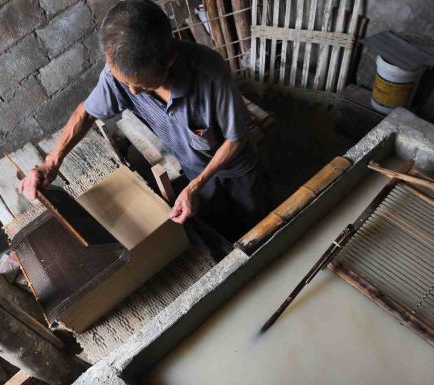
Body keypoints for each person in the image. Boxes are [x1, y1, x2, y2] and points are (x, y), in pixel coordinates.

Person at [19, 0, 267, 239]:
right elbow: (87, 111)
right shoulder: (121, 74)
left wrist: (194, 187)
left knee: (255, 223)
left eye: (140, 85)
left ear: (169, 60)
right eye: (126, 83)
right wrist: (52, 161)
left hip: (236, 168)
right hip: (193, 166)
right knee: (218, 221)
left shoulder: (210, 74)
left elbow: (236, 139)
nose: (132, 92)